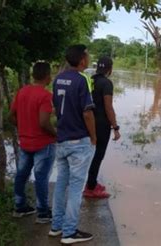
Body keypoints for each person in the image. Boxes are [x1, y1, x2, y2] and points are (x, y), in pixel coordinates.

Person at [49, 44, 97, 244]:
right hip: (78, 141)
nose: (88, 58)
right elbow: (87, 112)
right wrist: (93, 137)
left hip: (62, 139)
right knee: (76, 187)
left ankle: (56, 227)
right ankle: (69, 232)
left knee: (61, 183)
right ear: (82, 60)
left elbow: (56, 108)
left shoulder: (58, 78)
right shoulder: (83, 79)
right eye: (87, 56)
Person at [10, 62, 57, 224]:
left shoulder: (22, 92)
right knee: (41, 177)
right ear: (47, 76)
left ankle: (19, 206)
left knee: (21, 174)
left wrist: (23, 127)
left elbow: (12, 116)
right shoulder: (45, 96)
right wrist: (56, 135)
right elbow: (44, 122)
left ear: (33, 75)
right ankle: (43, 213)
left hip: (25, 142)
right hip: (43, 144)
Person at [83, 56, 121, 199]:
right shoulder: (107, 84)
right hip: (101, 125)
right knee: (98, 156)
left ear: (97, 67)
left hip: (88, 122)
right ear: (110, 69)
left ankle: (91, 182)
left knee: (90, 155)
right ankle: (90, 188)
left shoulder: (90, 79)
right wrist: (115, 127)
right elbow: (108, 107)